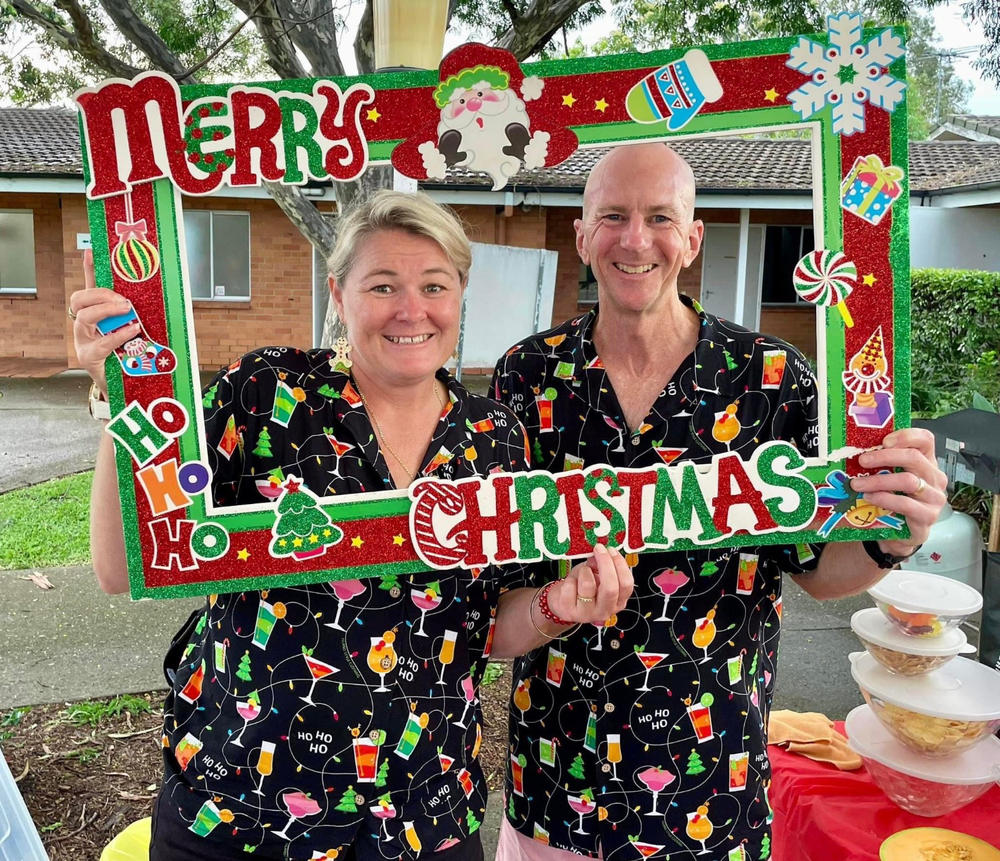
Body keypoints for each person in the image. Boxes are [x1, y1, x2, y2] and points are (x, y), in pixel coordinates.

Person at [69, 190, 633, 861]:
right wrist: (121, 393)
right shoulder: (266, 394)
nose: (410, 309)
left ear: (459, 295)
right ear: (339, 294)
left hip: (422, 816)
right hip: (240, 810)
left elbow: (489, 631)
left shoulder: (494, 438)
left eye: (434, 285)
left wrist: (555, 605)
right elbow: (123, 562)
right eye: (383, 285)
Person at [490, 143, 948, 860]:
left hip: (708, 791)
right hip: (555, 780)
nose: (635, 239)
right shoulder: (524, 377)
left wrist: (889, 535)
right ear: (581, 233)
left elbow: (814, 567)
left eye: (659, 217)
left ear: (693, 237)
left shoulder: (771, 381)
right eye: (612, 216)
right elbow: (500, 573)